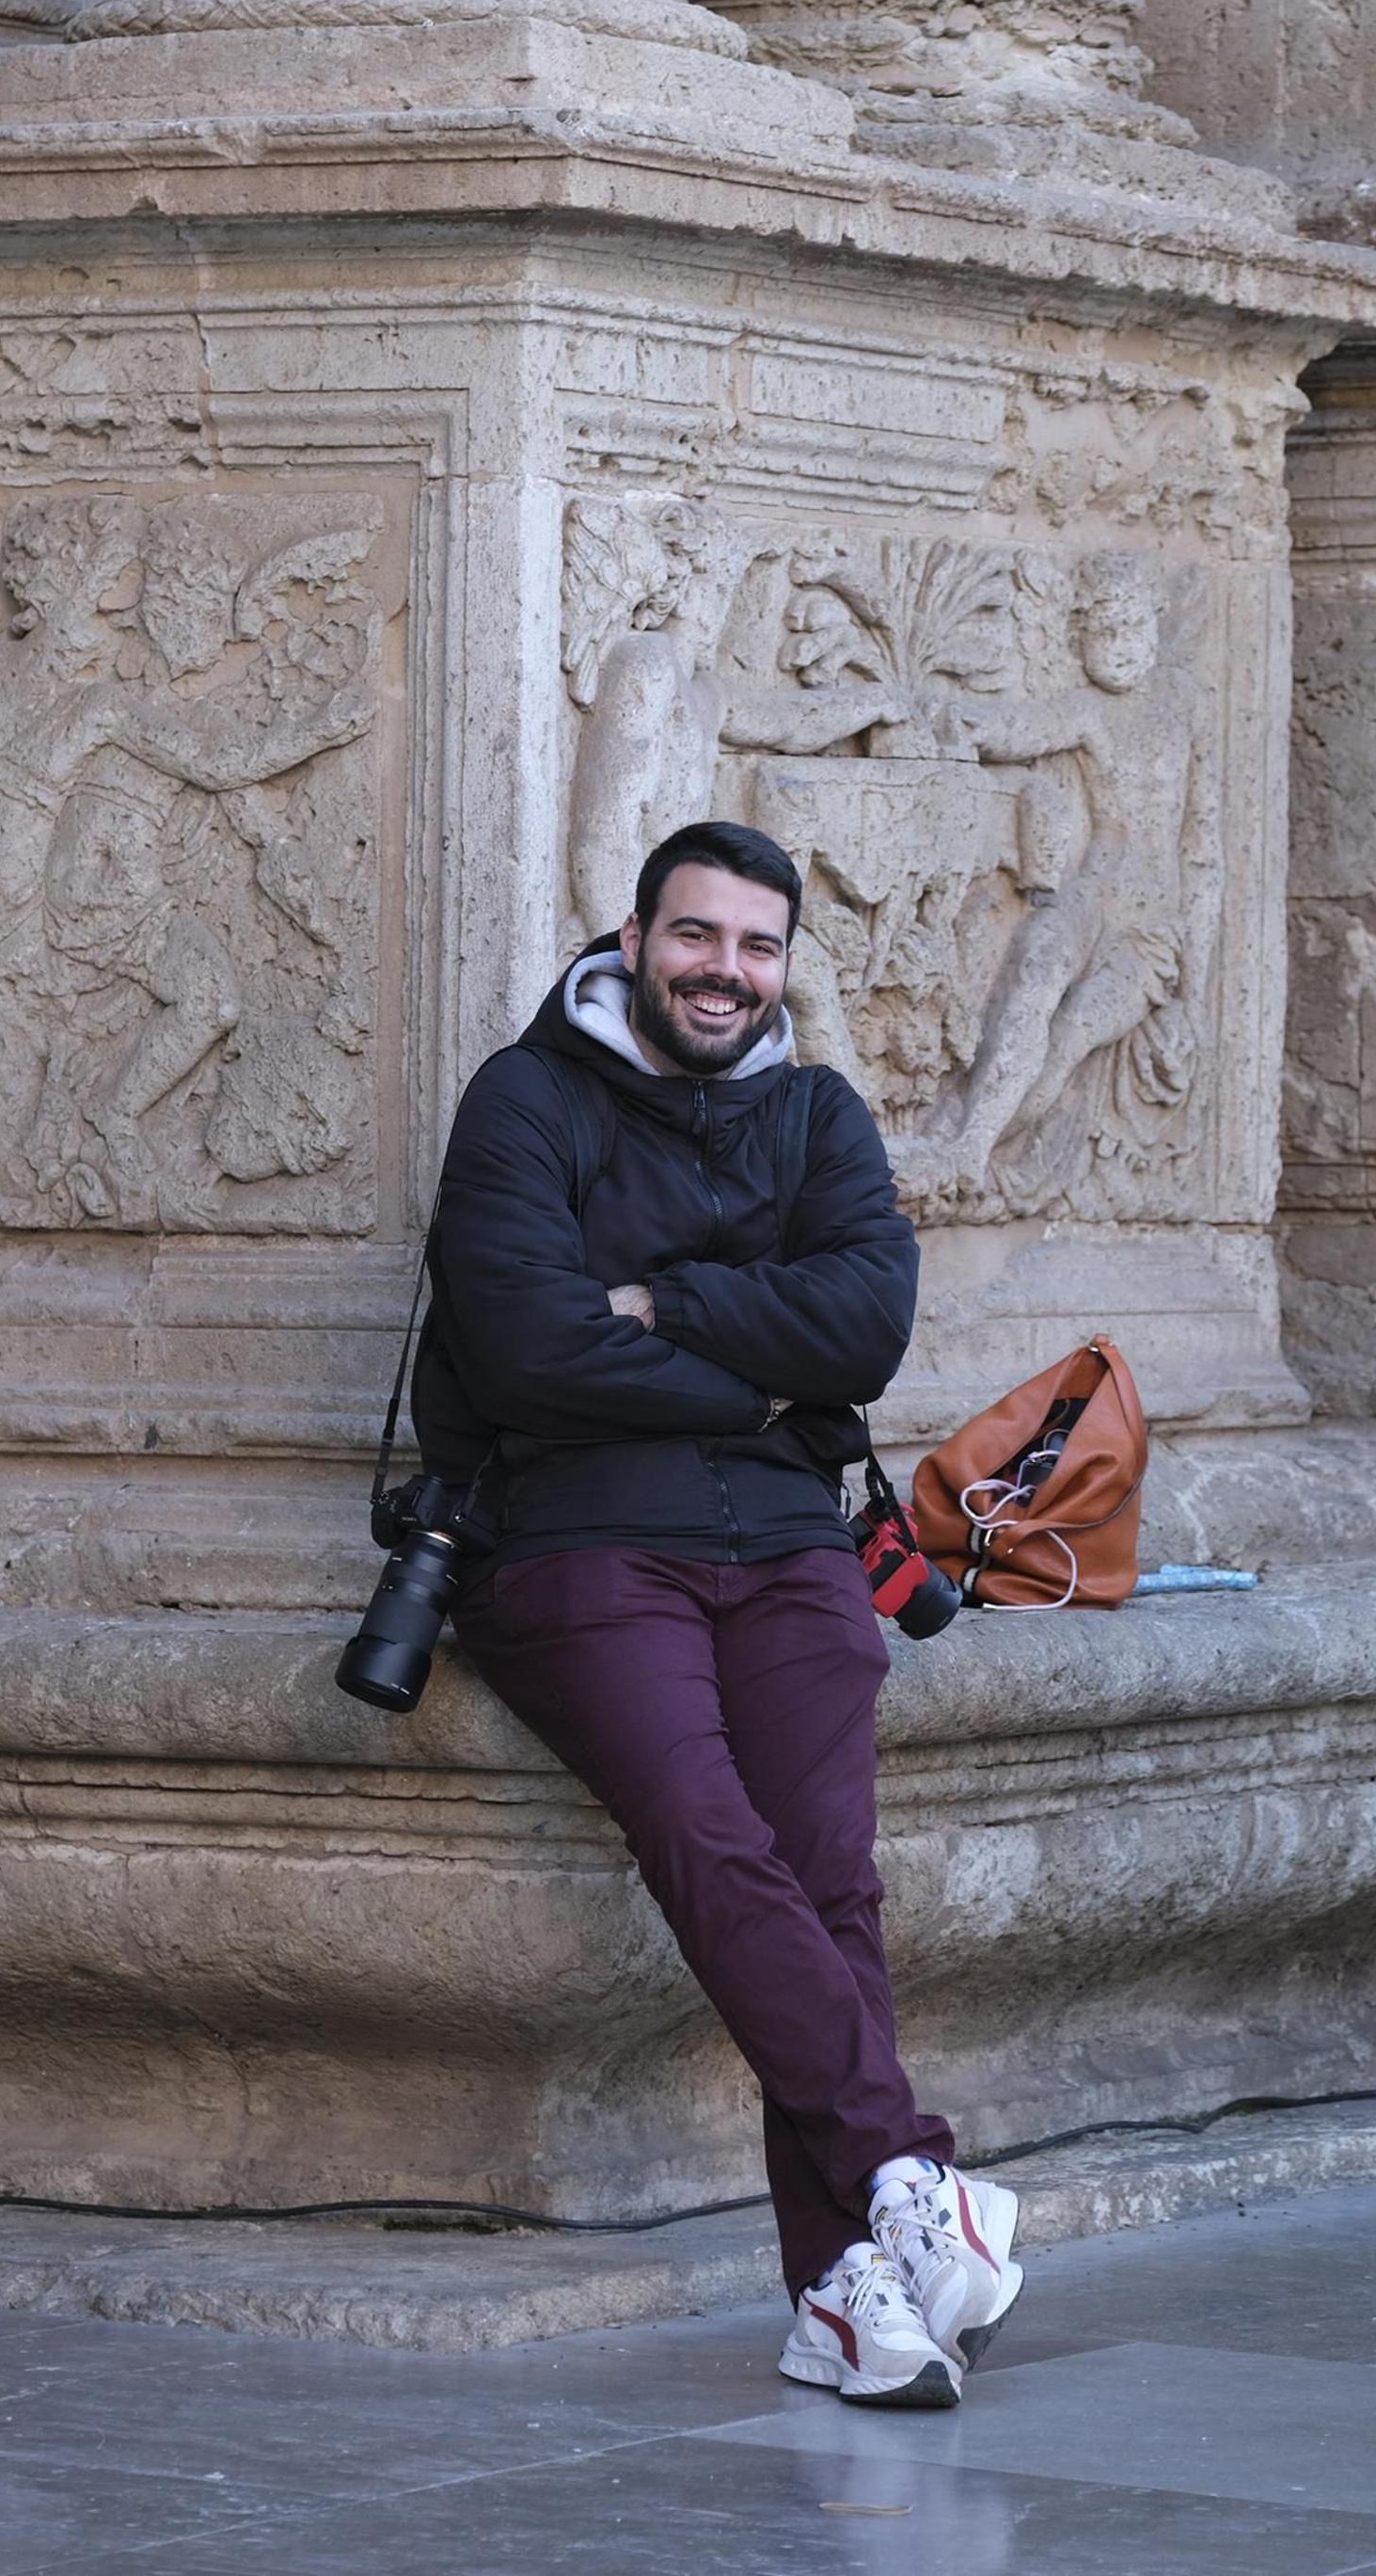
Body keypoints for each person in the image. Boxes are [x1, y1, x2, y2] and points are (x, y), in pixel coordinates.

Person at [412, 819, 1023, 2409]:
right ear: (632, 937)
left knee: (831, 1877)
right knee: (705, 1825)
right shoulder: (525, 1097)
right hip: (580, 1548)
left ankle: (838, 2291)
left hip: (796, 1553)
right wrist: (766, 1362)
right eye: (697, 938)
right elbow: (531, 1346)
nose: (725, 973)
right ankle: (903, 2175)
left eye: (758, 947)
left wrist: (667, 1302)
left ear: (785, 965)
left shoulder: (817, 1112)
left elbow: (867, 1323)